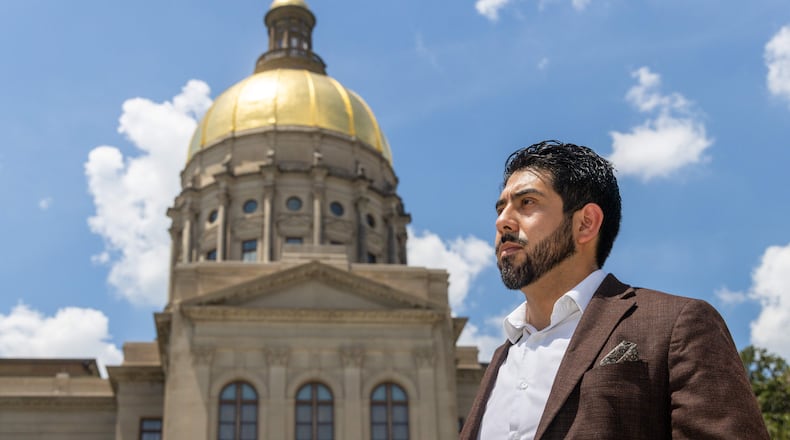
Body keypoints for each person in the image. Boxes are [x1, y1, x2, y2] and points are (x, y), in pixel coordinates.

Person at [459, 140, 768, 439]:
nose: (503, 221)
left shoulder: (674, 324)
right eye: (500, 208)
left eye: (527, 203)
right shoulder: (502, 359)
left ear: (585, 223)